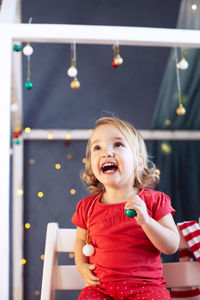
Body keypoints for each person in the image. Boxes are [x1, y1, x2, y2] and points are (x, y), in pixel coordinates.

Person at [72, 117, 180, 300]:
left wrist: (146, 221)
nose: (106, 153)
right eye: (97, 148)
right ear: (91, 165)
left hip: (146, 289)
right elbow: (81, 241)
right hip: (101, 290)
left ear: (139, 162)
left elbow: (172, 246)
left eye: (118, 145)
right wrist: (81, 266)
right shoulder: (87, 208)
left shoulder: (155, 201)